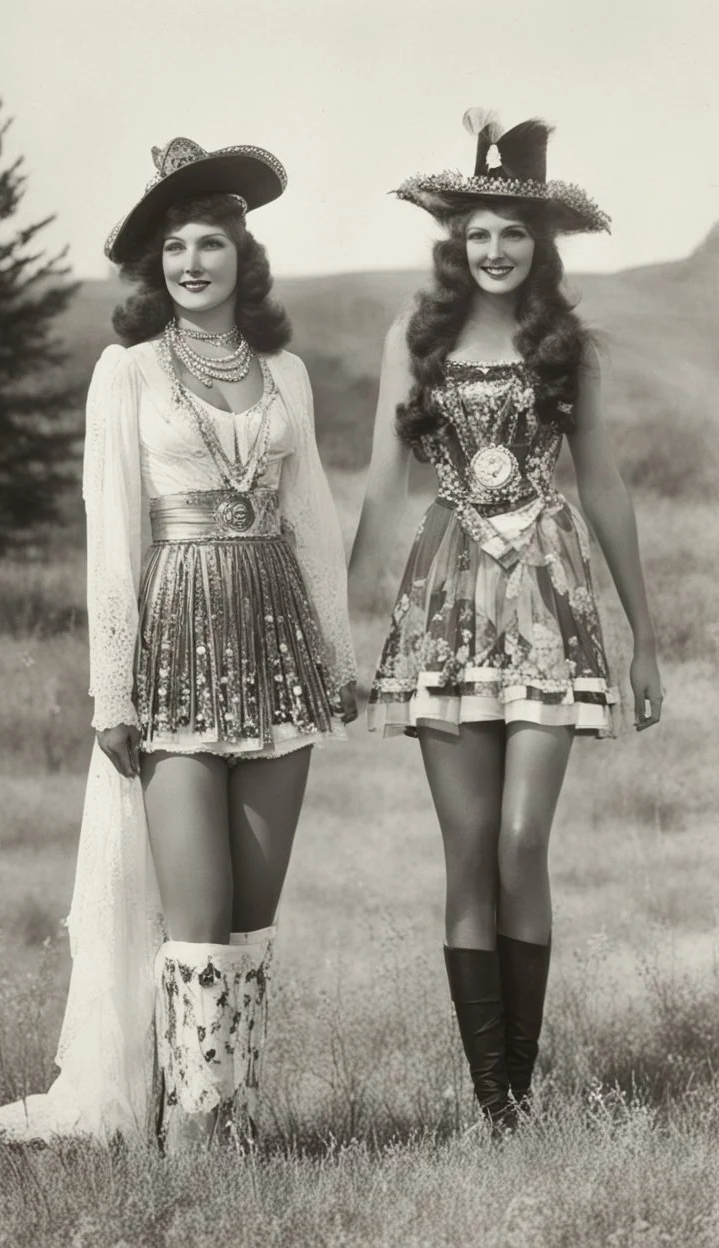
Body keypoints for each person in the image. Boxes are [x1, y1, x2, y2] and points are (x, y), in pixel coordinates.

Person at [0, 137, 356, 1151]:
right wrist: (111, 695)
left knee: (253, 920)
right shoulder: (126, 374)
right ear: (154, 266)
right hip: (173, 651)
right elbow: (112, 540)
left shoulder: (286, 376)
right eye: (174, 247)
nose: (191, 264)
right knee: (197, 920)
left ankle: (229, 1117)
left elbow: (311, 521)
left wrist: (338, 660)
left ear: (241, 257)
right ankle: (189, 1139)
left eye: (210, 243)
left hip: (274, 651)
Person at [349, 110, 662, 1130]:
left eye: (512, 233)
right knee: (469, 844)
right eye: (476, 231)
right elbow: (383, 488)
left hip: (549, 600)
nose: (492, 249)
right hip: (444, 598)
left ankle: (515, 1091)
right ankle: (496, 1107)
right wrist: (339, 619)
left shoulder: (568, 347)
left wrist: (643, 633)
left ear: (541, 244)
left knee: (523, 841)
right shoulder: (417, 337)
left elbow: (605, 487)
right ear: (456, 240)